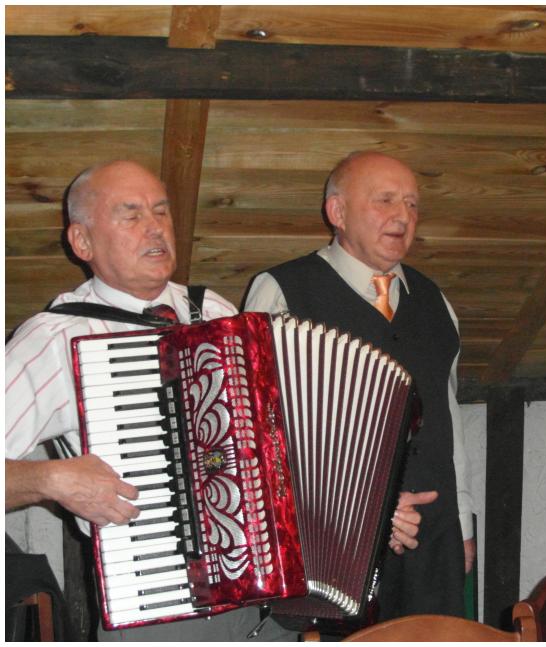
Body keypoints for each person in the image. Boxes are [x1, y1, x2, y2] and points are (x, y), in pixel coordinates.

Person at [5, 160, 426, 641]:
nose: (155, 227)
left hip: (270, 614)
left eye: (161, 211)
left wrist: (369, 513)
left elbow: (290, 449)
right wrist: (52, 479)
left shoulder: (215, 314)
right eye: (131, 214)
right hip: (161, 613)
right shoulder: (55, 338)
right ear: (82, 242)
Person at [244, 150, 476, 619]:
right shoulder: (282, 292)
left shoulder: (435, 300)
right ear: (338, 212)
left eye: (412, 204)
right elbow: (260, 439)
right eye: (385, 200)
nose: (403, 216)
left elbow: (449, 419)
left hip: (433, 543)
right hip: (333, 553)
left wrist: (463, 524)